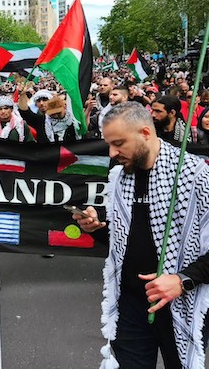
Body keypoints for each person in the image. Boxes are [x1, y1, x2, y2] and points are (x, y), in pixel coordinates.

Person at [74, 102, 209, 369]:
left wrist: (183, 280)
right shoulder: (120, 177)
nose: (112, 153)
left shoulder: (197, 176)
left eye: (119, 143)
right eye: (109, 144)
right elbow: (123, 240)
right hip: (132, 304)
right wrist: (98, 228)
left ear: (145, 133)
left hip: (180, 304)